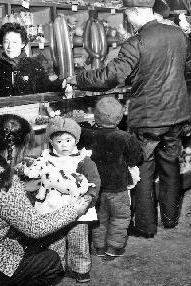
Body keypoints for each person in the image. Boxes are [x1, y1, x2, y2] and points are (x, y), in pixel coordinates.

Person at [67, 0, 191, 238]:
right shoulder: (178, 34)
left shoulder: (136, 42)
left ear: (135, 12)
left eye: (127, 14)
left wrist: (78, 79)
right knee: (170, 165)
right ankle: (170, 219)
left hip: (149, 118)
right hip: (177, 114)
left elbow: (110, 75)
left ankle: (145, 227)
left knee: (143, 169)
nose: (127, 19)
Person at [0, 114, 90, 286]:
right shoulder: (2, 180)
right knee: (51, 261)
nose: (24, 156)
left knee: (24, 245)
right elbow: (35, 227)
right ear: (13, 148)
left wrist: (22, 187)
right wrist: (74, 210)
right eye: (24, 149)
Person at [24, 116, 101, 283]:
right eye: (59, 141)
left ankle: (80, 269)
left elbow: (95, 181)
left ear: (76, 140)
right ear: (51, 142)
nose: (64, 144)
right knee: (55, 241)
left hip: (78, 208)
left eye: (68, 140)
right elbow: (36, 175)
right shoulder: (46, 158)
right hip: (52, 208)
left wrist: (90, 196)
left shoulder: (83, 159)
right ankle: (56, 268)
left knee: (78, 240)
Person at [77, 96, 143, 259]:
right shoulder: (126, 137)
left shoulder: (87, 134)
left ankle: (99, 247)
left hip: (96, 189)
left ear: (95, 116)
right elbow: (136, 159)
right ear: (120, 117)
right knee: (120, 217)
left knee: (99, 218)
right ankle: (114, 247)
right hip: (118, 188)